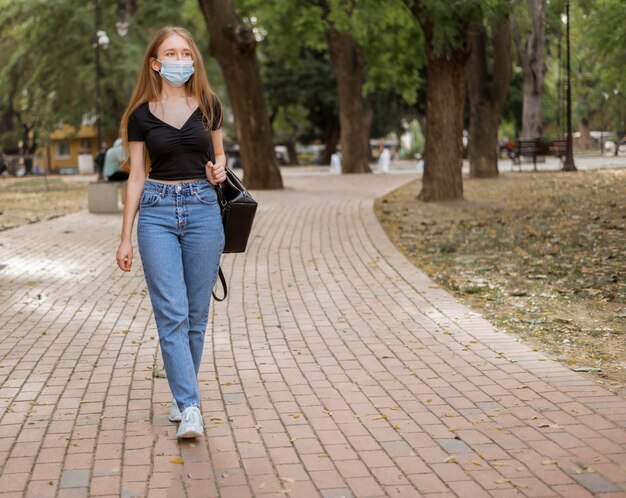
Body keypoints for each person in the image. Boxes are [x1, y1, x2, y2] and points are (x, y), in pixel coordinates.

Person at [116, 26, 226, 439]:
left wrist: (218, 171)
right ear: (156, 63)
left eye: (186, 52)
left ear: (192, 59)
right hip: (157, 214)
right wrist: (125, 236)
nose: (180, 59)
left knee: (196, 316)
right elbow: (136, 178)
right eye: (171, 53)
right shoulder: (140, 116)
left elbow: (218, 157)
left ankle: (183, 398)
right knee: (172, 314)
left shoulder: (210, 105)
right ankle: (192, 407)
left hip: (202, 209)